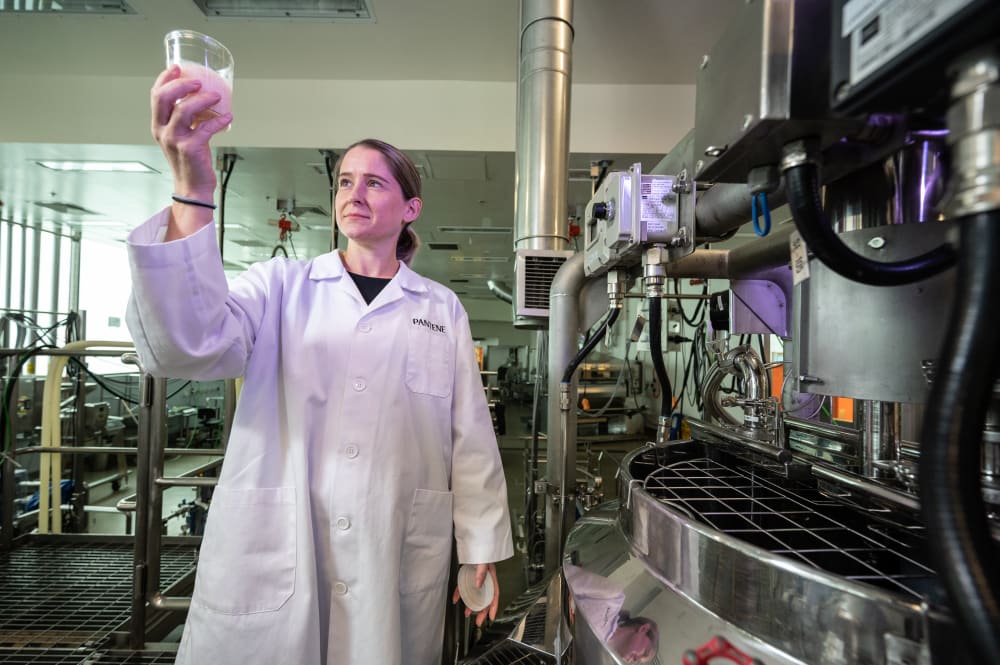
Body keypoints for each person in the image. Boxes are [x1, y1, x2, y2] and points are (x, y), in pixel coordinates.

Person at [125, 65, 514, 665]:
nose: (353, 194)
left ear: (411, 207)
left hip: (394, 546)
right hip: (278, 548)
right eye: (344, 182)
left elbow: (470, 437)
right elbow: (189, 347)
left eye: (375, 184)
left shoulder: (441, 309)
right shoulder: (280, 286)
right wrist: (192, 186)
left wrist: (480, 542)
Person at [564, 563, 660, 664]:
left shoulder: (597, 660)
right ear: (643, 629)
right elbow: (564, 578)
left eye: (639, 662)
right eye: (644, 653)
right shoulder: (612, 598)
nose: (636, 661)